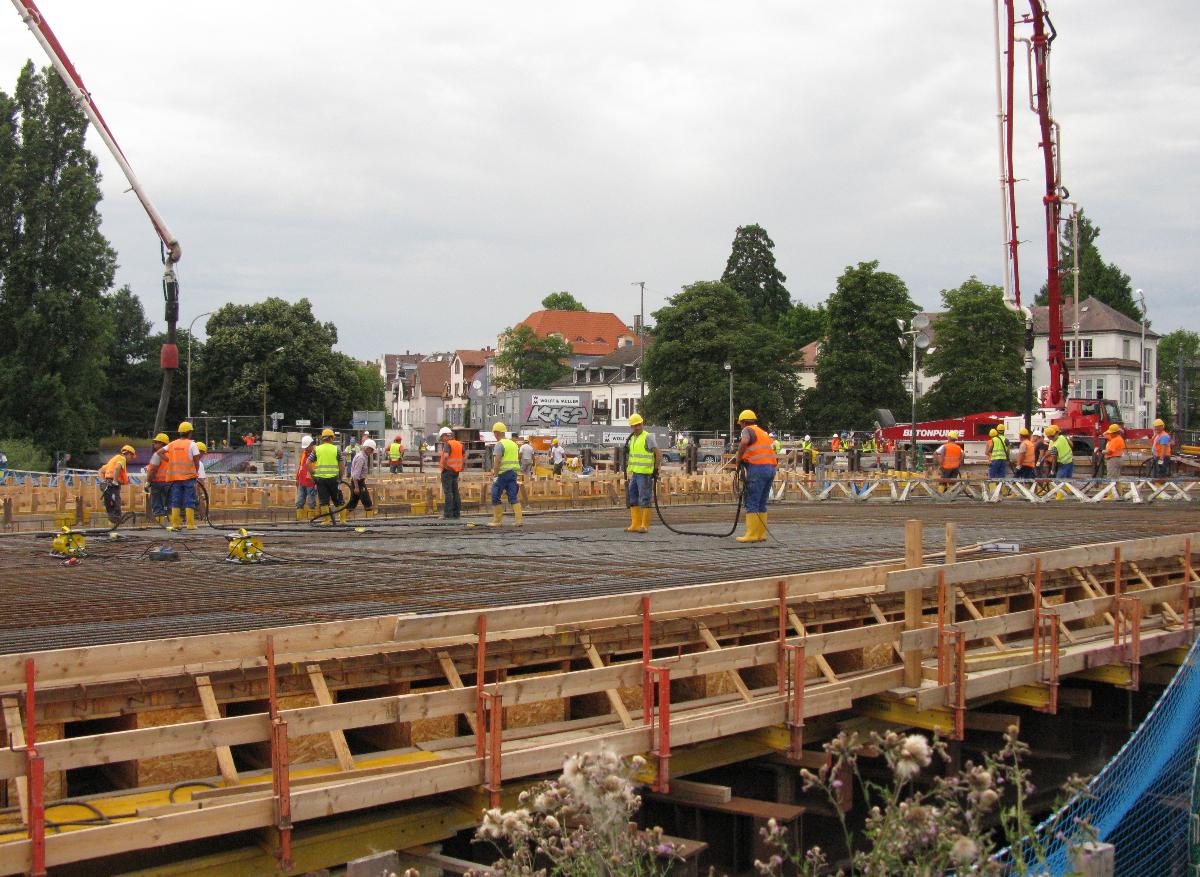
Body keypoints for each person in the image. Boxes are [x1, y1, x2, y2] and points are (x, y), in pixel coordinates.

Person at [147, 421, 202, 530]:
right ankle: (190, 524)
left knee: (175, 500)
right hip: (188, 476)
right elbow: (196, 460)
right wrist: (196, 472)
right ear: (190, 432)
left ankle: (175, 524)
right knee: (189, 499)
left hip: (175, 478)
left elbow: (159, 452)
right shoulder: (192, 444)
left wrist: (169, 460)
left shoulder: (173, 444)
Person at [734, 409, 777, 543]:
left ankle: (752, 534)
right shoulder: (762, 432)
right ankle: (761, 534)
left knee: (752, 501)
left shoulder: (747, 430)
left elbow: (744, 441)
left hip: (758, 468)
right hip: (770, 468)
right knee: (761, 502)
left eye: (740, 424)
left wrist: (739, 458)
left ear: (743, 422)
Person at [622, 413, 660, 534]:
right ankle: (635, 524)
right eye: (635, 425)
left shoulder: (647, 437)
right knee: (633, 497)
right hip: (635, 473)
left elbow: (658, 453)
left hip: (644, 474)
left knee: (645, 498)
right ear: (631, 427)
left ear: (642, 424)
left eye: (639, 424)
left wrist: (655, 469)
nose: (637, 427)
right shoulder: (632, 438)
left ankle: (644, 525)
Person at [488, 422, 523, 527]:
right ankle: (518, 521)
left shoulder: (500, 444)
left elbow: (497, 461)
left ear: (497, 433)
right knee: (513, 497)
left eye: (494, 433)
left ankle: (497, 521)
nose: (494, 435)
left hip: (503, 474)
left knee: (495, 496)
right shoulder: (513, 444)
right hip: (513, 474)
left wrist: (495, 476)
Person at [307, 428, 344, 525]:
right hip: (334, 479)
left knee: (324, 501)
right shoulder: (336, 449)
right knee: (339, 499)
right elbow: (341, 465)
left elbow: (308, 462)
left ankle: (326, 521)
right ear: (332, 438)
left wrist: (313, 475)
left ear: (322, 438)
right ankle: (343, 520)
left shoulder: (317, 449)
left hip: (321, 480)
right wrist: (340, 477)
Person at [99, 444, 136, 523]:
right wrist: (115, 481)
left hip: (108, 483)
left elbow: (101, 470)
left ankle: (112, 517)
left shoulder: (114, 459)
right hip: (113, 483)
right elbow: (117, 468)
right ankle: (116, 518)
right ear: (128, 454)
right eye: (131, 457)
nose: (131, 459)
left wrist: (103, 481)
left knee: (109, 500)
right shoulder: (122, 459)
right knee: (116, 500)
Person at [342, 438, 375, 520]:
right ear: (367, 448)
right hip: (358, 482)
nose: (372, 453)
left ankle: (343, 517)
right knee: (367, 503)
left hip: (358, 482)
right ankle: (370, 521)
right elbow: (356, 474)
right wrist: (356, 487)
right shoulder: (361, 458)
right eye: (371, 450)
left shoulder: (362, 456)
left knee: (353, 502)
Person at [145, 432, 171, 525]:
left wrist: (148, 482)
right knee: (169, 505)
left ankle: (160, 526)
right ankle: (172, 524)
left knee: (157, 505)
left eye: (156, 442)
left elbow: (152, 470)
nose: (154, 444)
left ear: (162, 444)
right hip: (169, 483)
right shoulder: (171, 454)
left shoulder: (157, 454)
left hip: (157, 483)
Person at [438, 426, 464, 519]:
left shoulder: (448, 444)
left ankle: (448, 514)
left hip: (447, 471)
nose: (441, 439)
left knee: (448, 492)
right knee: (455, 491)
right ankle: (456, 513)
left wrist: (445, 466)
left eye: (441, 437)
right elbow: (465, 455)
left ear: (445, 436)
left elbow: (445, 457)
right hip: (455, 471)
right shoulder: (459, 444)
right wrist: (460, 466)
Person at [295, 434, 318, 520]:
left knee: (311, 502)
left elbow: (317, 468)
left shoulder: (316, 454)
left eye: (307, 447)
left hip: (311, 482)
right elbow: (300, 466)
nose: (305, 448)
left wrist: (316, 482)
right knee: (299, 502)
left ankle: (311, 520)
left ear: (311, 444)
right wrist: (297, 478)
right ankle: (300, 519)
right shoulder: (304, 454)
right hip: (302, 481)